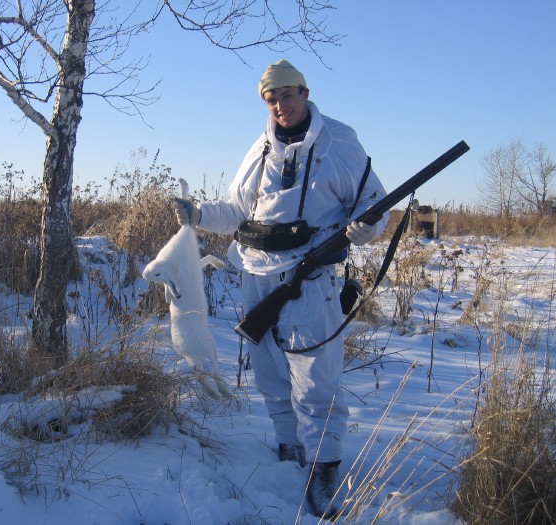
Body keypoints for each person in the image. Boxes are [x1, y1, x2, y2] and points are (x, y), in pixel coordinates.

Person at [173, 59, 389, 519]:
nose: (279, 106)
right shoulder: (260, 149)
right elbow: (234, 211)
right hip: (256, 275)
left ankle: (325, 467)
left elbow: (376, 205)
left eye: (286, 96)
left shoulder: (340, 144)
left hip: (309, 279)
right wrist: (196, 215)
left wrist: (364, 226)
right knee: (270, 373)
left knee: (315, 379)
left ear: (304, 93)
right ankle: (289, 448)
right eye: (271, 100)